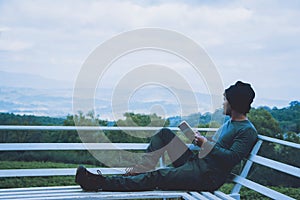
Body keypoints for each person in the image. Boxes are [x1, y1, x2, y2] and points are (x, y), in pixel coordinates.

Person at [75, 81, 258, 192]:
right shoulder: (229, 123)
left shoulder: (247, 131)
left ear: (233, 103)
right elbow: (216, 148)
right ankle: (141, 168)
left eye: (225, 99)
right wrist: (201, 140)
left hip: (206, 176)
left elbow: (231, 158)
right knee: (163, 133)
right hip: (197, 162)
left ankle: (97, 182)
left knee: (159, 176)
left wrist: (205, 144)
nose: (223, 103)